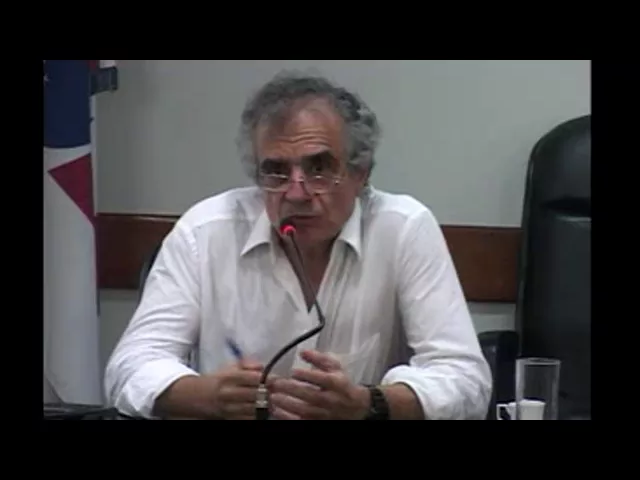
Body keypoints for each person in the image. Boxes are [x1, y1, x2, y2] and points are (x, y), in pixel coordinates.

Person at [104, 70, 492, 420]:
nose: (296, 193)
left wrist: (369, 403)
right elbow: (130, 367)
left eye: (319, 169)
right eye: (276, 172)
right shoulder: (205, 232)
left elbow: (465, 380)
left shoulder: (403, 229)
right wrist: (206, 396)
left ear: (360, 173)